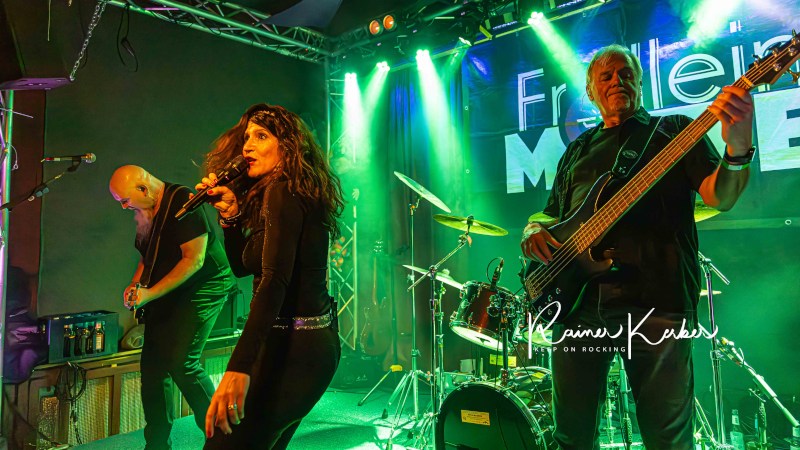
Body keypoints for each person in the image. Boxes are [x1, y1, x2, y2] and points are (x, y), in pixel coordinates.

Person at [520, 44, 753, 450]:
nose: (617, 80)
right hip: (578, 306)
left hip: (657, 304)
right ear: (591, 92)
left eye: (626, 73)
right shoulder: (577, 149)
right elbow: (552, 214)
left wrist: (737, 149)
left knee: (667, 439)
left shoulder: (674, 130)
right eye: (606, 76)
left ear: (640, 83)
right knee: (571, 436)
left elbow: (721, 196)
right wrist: (532, 229)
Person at [198, 104, 344, 449]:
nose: (247, 146)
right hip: (299, 343)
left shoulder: (284, 191)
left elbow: (273, 281)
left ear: (288, 146)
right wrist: (231, 218)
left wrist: (238, 367)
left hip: (296, 348)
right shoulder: (284, 192)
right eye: (246, 137)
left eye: (261, 136)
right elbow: (244, 268)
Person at [109, 166, 236, 450]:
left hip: (206, 285)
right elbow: (146, 258)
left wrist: (150, 293)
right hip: (172, 288)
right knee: (152, 368)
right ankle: (156, 445)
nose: (124, 207)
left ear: (144, 189)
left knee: (182, 363)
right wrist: (136, 286)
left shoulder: (183, 201)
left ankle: (225, 442)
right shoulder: (145, 211)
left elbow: (194, 260)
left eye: (125, 201)